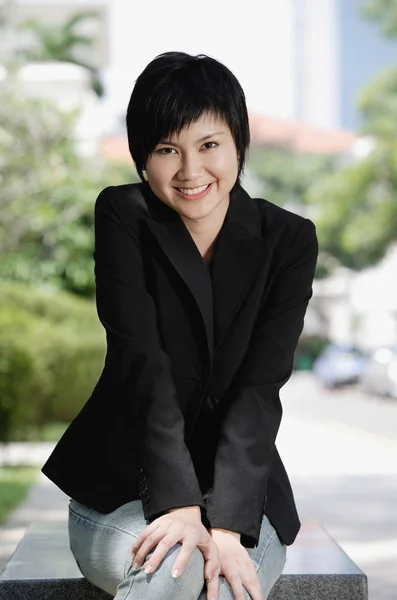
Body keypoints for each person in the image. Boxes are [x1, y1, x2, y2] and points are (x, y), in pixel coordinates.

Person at [42, 51, 318, 600]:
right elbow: (140, 366)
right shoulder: (125, 216)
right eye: (168, 149)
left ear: (239, 142)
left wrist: (224, 524)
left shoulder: (288, 240)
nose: (191, 171)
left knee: (222, 580)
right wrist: (181, 507)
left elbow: (259, 390)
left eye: (209, 145)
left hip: (242, 496)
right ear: (143, 158)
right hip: (123, 486)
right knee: (177, 571)